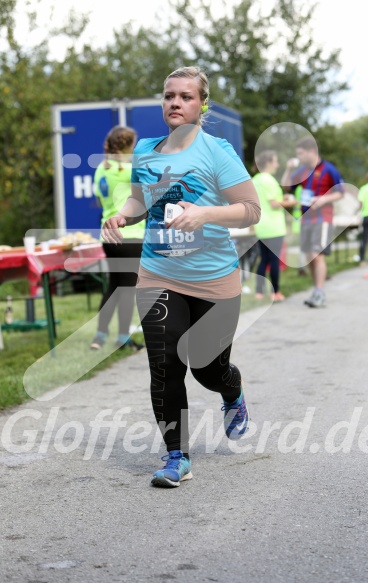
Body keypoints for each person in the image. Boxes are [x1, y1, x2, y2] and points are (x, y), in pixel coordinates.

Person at [102, 66, 261, 487]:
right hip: (158, 273)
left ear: (201, 104)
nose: (175, 102)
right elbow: (140, 201)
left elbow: (250, 209)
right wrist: (123, 214)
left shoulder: (217, 150)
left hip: (214, 278)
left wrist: (205, 213)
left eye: (186, 96)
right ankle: (177, 456)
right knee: (166, 365)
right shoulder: (147, 150)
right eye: (170, 95)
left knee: (208, 369)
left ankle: (233, 392)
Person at [90, 125, 145, 351]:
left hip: (108, 236)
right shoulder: (131, 169)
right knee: (127, 288)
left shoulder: (101, 169)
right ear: (128, 146)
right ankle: (123, 338)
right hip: (131, 235)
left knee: (113, 285)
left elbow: (98, 201)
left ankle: (99, 336)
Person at [282, 137, 344, 308]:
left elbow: (341, 192)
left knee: (317, 254)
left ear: (311, 151)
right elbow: (287, 187)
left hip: (323, 218)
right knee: (310, 257)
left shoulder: (329, 169)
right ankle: (317, 290)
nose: (299, 157)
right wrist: (288, 169)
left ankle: (320, 292)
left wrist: (324, 199)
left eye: (301, 153)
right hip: (306, 218)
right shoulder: (302, 171)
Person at [252, 150, 297, 301]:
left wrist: (281, 198)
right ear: (269, 163)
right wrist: (290, 202)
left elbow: (264, 200)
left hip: (260, 226)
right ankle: (276, 292)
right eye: (276, 161)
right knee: (274, 260)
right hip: (274, 227)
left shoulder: (256, 179)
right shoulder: (268, 180)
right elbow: (273, 204)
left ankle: (258, 292)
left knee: (263, 259)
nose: (277, 165)